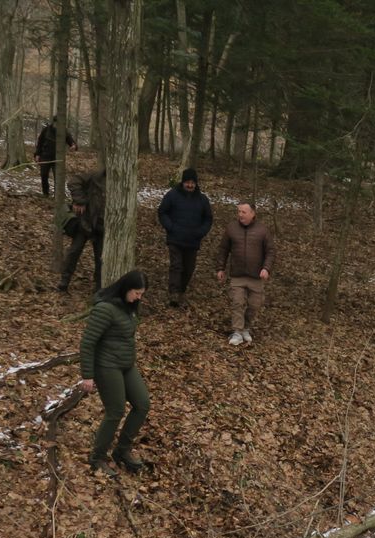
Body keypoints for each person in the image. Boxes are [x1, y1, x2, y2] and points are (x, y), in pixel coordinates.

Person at [79, 269, 151, 477]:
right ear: (126, 288)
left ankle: (122, 451)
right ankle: (97, 457)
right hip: (106, 366)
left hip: (125, 364)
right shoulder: (105, 309)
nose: (139, 297)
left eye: (141, 293)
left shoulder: (128, 307)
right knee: (115, 411)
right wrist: (87, 375)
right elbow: (87, 343)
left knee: (142, 403)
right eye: (137, 293)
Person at [216, 202, 275, 345]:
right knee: (237, 302)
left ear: (253, 213)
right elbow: (223, 249)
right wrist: (220, 268)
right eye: (239, 211)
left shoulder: (263, 230)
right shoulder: (231, 228)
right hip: (237, 274)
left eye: (243, 212)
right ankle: (236, 331)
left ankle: (245, 328)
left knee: (255, 304)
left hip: (256, 276)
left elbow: (271, 252)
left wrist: (266, 268)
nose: (240, 214)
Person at [157, 168, 214, 308]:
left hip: (192, 241)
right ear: (183, 182)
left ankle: (181, 290)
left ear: (196, 183)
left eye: (192, 183)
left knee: (189, 268)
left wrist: (200, 232)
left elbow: (208, 219)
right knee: (176, 266)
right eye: (187, 182)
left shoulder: (202, 200)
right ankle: (174, 294)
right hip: (175, 239)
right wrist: (171, 227)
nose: (190, 185)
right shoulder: (172, 195)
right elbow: (162, 212)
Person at [59, 168, 106, 292]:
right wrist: (80, 201)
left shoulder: (121, 184)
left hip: (103, 227)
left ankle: (99, 288)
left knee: (101, 258)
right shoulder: (96, 175)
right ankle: (64, 281)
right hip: (85, 221)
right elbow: (74, 182)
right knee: (74, 251)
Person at [33, 116, 77, 196]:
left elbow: (71, 142)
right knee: (44, 175)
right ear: (53, 122)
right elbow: (40, 143)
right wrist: (37, 154)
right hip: (45, 156)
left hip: (58, 158)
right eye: (57, 123)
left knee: (58, 177)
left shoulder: (64, 131)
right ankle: (45, 193)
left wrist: (73, 146)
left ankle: (58, 195)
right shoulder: (46, 130)